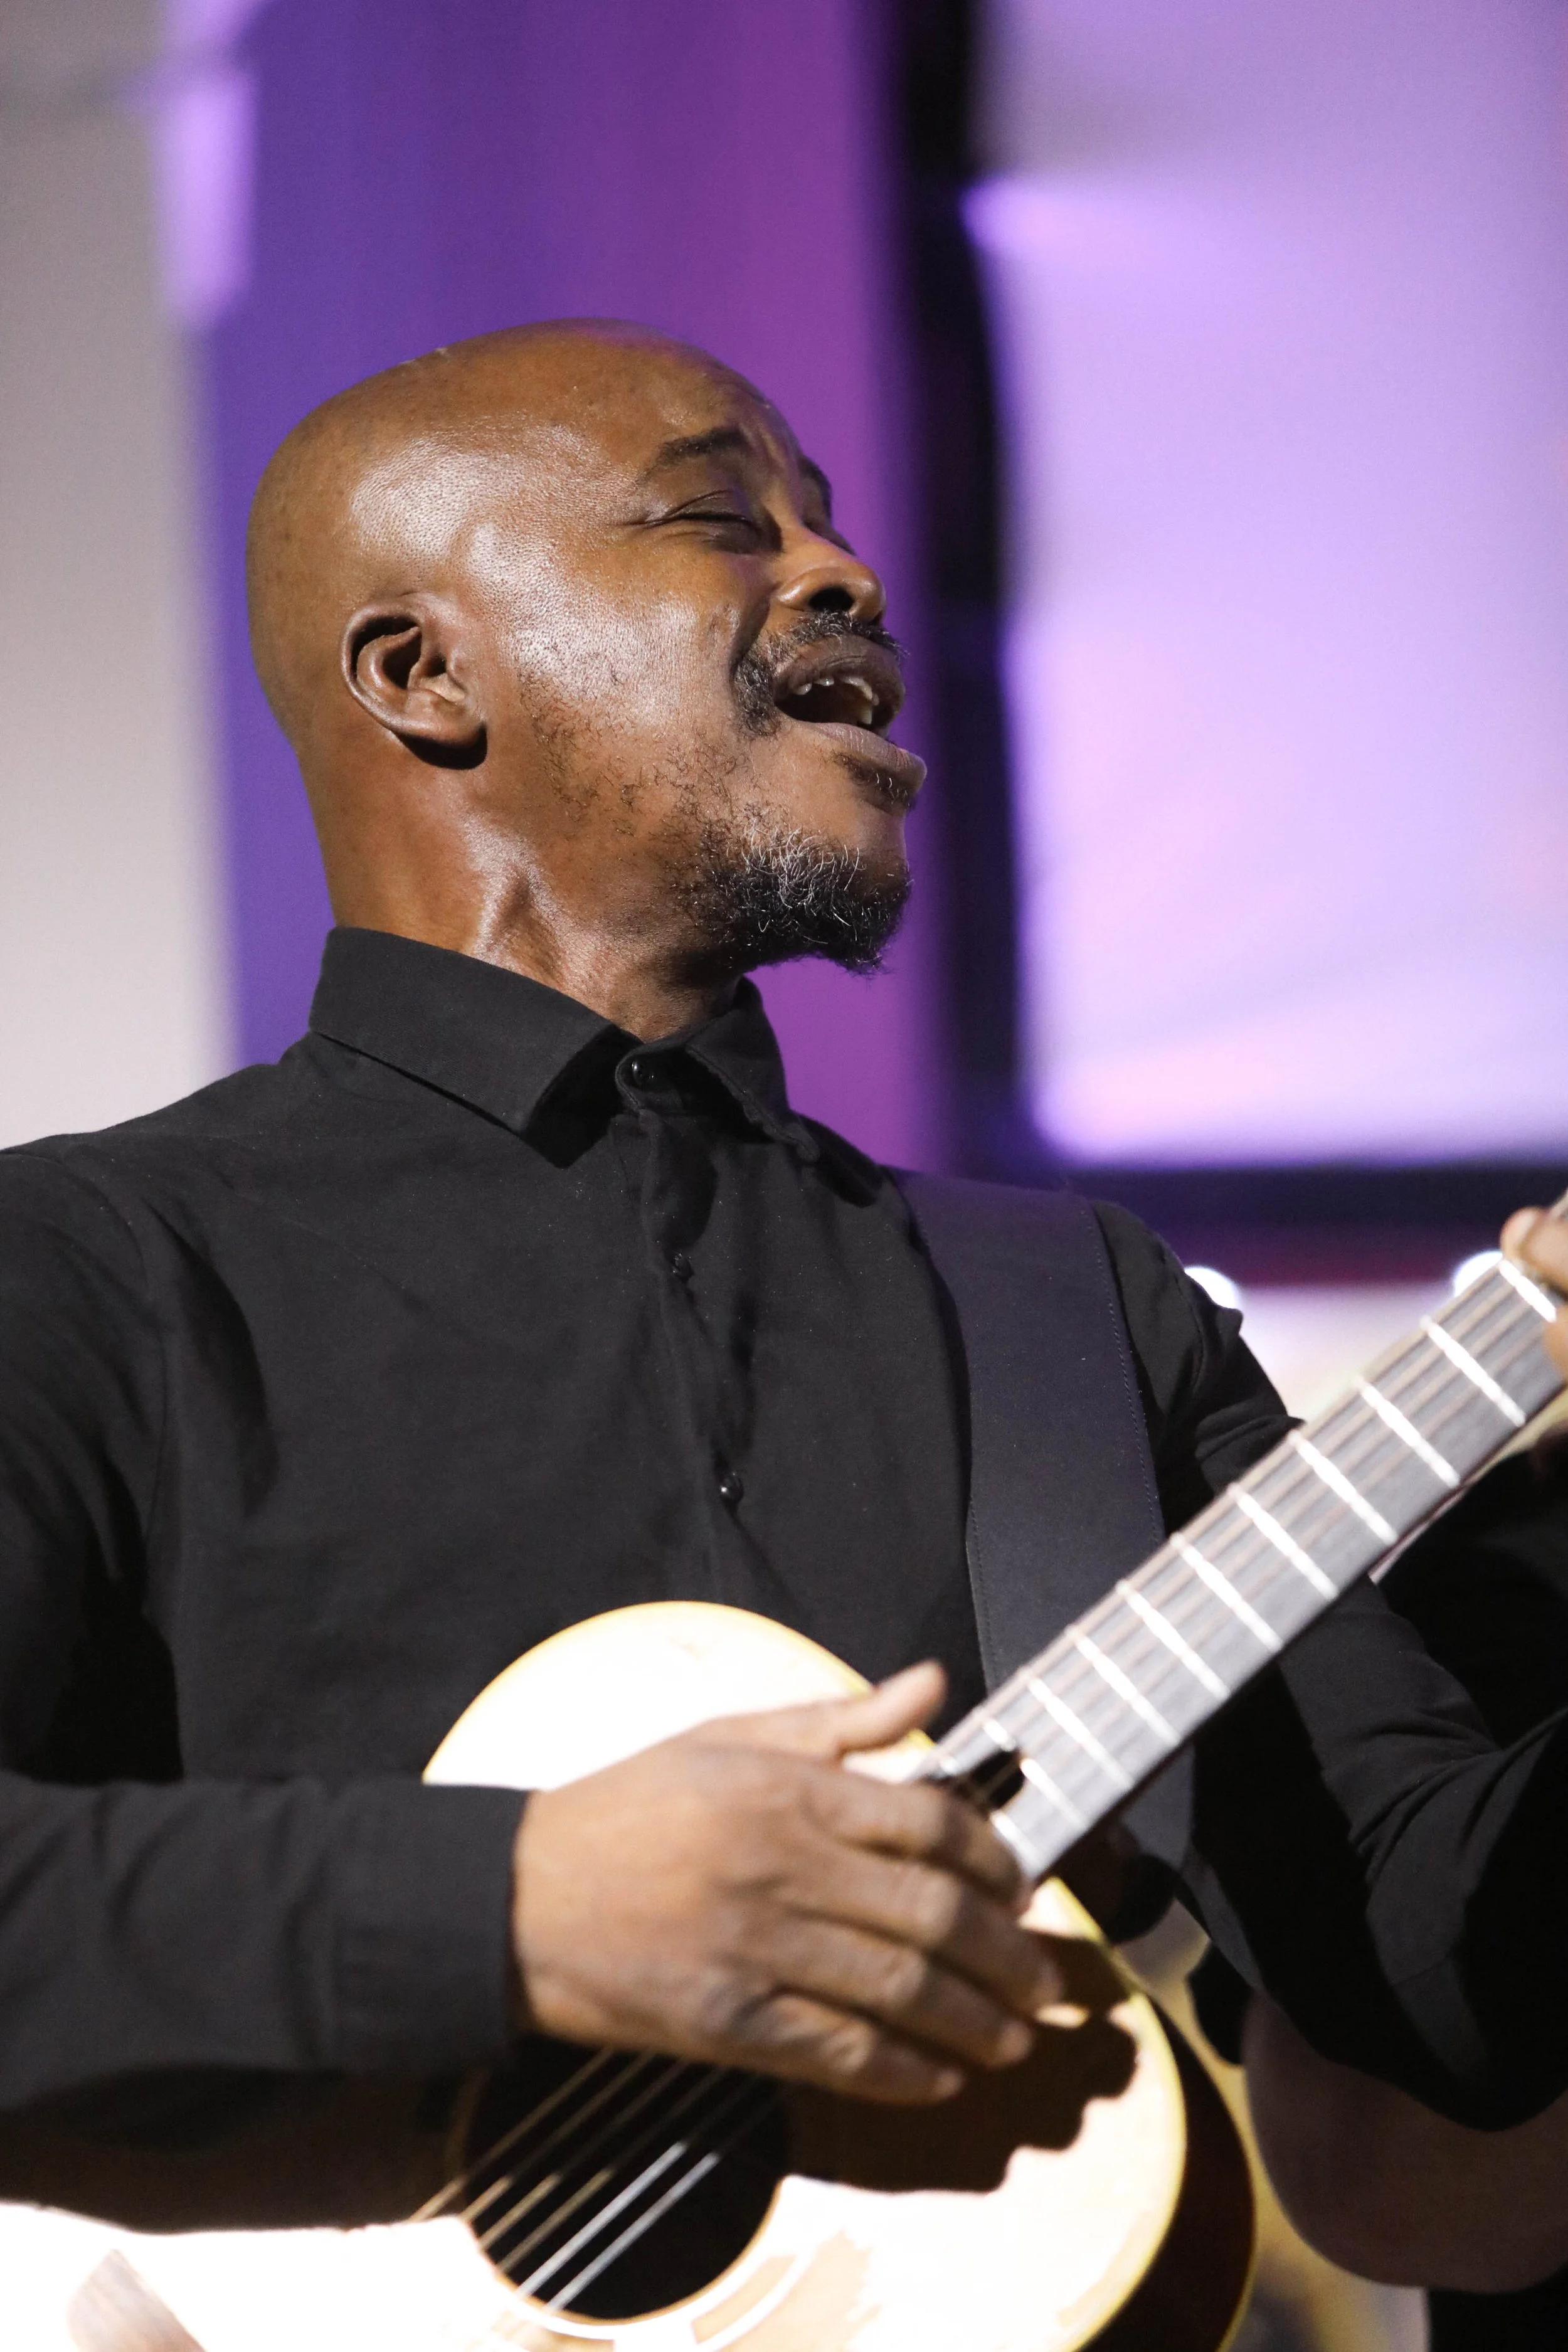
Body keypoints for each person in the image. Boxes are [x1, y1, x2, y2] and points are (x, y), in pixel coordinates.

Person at [1, 320, 1567, 2229]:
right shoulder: (86, 1269)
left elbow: (1431, 1960)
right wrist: (518, 1905)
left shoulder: (1068, 1308)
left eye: (821, 520)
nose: (844, 571)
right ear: (422, 674)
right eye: (714, 518)